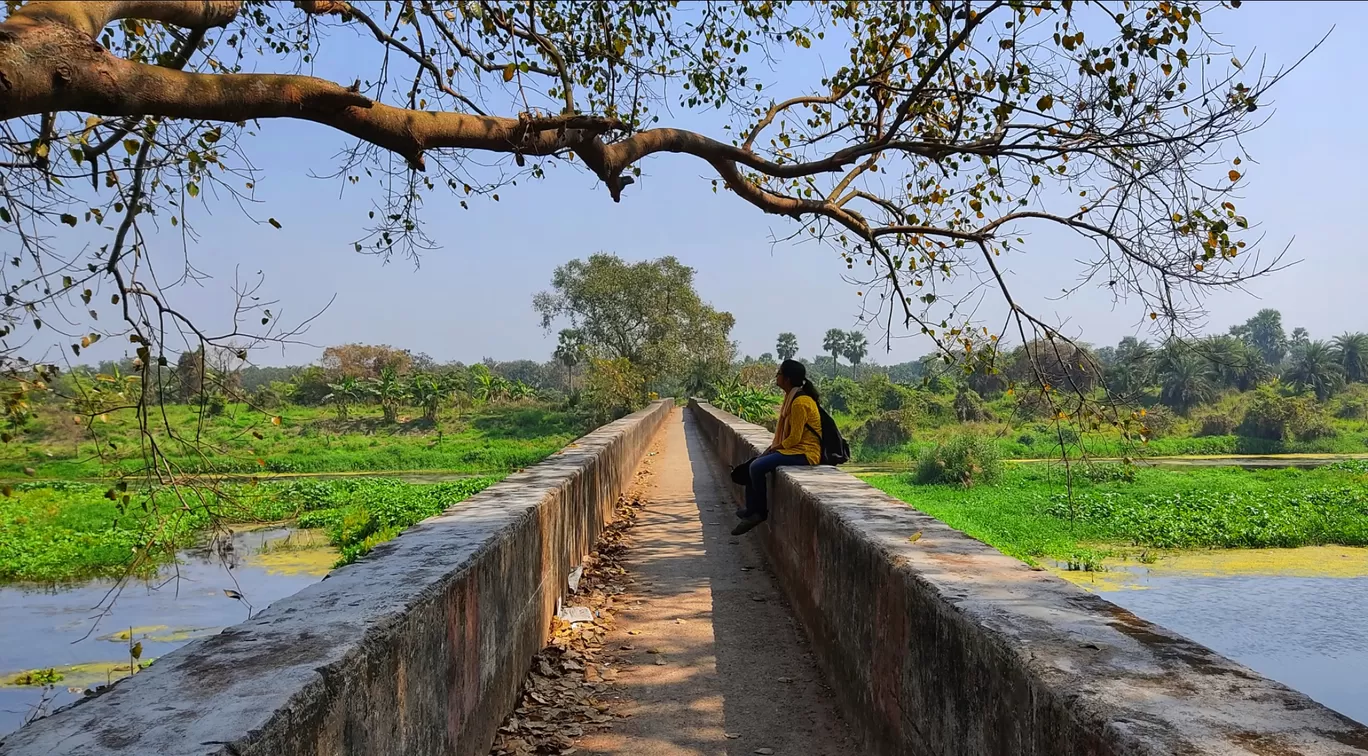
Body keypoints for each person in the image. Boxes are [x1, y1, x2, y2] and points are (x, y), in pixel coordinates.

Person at [733, 359, 822, 536]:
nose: (777, 377)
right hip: (794, 449)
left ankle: (759, 512)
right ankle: (751, 509)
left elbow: (795, 438)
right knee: (755, 463)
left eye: (779, 373)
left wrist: (776, 448)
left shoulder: (799, 402)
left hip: (805, 452)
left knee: (757, 466)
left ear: (787, 379)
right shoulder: (792, 398)